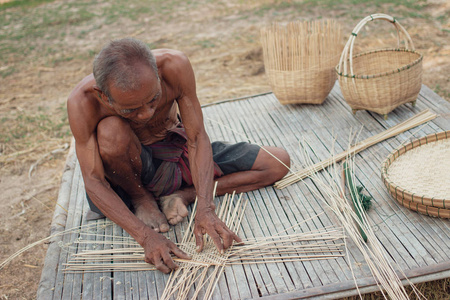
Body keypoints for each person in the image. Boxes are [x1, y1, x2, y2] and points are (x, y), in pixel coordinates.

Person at [67, 37, 290, 273]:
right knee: (111, 131)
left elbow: (196, 138)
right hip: (131, 173)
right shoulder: (82, 102)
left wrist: (205, 206)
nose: (145, 115)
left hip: (178, 153)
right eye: (130, 110)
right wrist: (145, 237)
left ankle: (183, 195)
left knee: (277, 162)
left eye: (153, 100)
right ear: (103, 96)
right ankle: (142, 199)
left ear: (157, 75)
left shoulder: (174, 66)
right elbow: (94, 181)